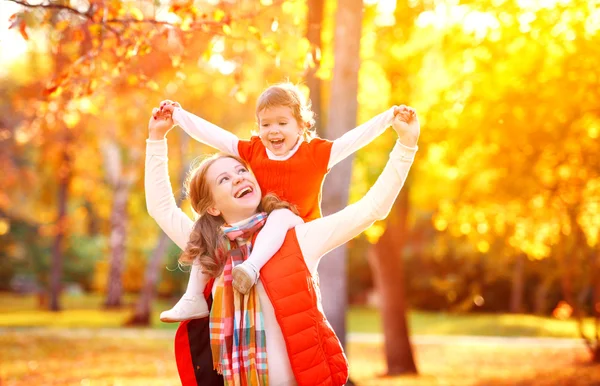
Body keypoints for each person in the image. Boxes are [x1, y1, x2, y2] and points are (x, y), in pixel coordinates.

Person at [145, 103, 420, 385]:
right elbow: (161, 208)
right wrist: (156, 138)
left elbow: (371, 209)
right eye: (224, 179)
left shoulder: (297, 237)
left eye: (241, 170)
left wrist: (406, 146)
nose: (238, 177)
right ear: (213, 207)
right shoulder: (209, 248)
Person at [156, 82, 407, 322]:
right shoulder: (254, 151)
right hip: (259, 225)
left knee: (280, 215)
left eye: (282, 122)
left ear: (301, 125)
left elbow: (355, 139)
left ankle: (251, 268)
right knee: (209, 228)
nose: (273, 130)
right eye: (265, 124)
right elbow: (213, 135)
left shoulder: (316, 155)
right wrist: (178, 116)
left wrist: (389, 118)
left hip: (298, 227)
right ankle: (193, 297)